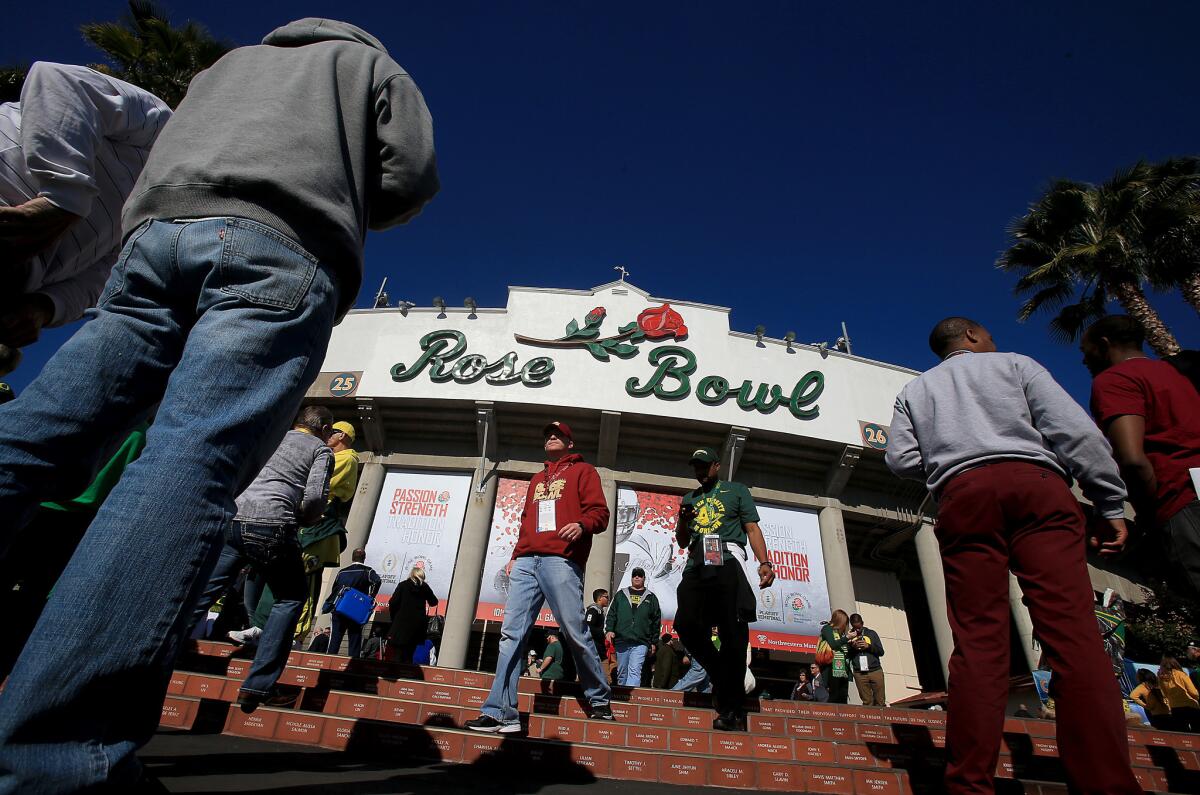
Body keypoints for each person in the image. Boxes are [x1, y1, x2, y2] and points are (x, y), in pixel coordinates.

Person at [0, 18, 438, 792]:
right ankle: (62, 755)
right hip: (281, 248)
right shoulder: (371, 66)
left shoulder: (229, 65)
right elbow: (408, 177)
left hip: (153, 242)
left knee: (38, 433)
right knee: (188, 462)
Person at [885, 316, 1140, 794]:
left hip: (964, 497)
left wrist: (951, 465)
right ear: (974, 337)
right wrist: (1108, 501)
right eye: (990, 336)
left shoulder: (915, 390)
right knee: (1073, 636)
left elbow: (899, 458)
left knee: (978, 643)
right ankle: (1106, 784)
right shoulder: (1016, 365)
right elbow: (1077, 434)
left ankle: (969, 783)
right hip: (1036, 487)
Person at [0, 62, 170, 375]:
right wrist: (63, 198)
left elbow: (106, 277)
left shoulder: (168, 220)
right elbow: (57, 79)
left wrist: (47, 306)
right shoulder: (164, 127)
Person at [465, 421, 613, 733]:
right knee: (511, 635)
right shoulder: (536, 479)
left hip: (561, 560)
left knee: (574, 630)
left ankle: (598, 697)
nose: (551, 437)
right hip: (526, 562)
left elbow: (600, 513)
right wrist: (515, 555)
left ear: (570, 443)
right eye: (547, 435)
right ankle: (500, 712)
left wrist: (583, 525)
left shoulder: (583, 472)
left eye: (558, 434)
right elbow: (525, 521)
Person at [188, 406, 334, 712]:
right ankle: (258, 685)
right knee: (291, 598)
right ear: (322, 429)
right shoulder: (320, 449)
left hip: (236, 518)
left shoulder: (275, 436)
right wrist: (304, 520)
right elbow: (316, 497)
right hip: (273, 523)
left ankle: (155, 656)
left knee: (204, 591)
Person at [1082, 315, 1200, 597]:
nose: (1084, 362)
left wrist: (1148, 519)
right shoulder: (1177, 375)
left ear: (1104, 344)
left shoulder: (1113, 380)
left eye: (1085, 353)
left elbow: (1132, 458)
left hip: (1181, 499)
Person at [674, 447, 775, 732]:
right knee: (685, 623)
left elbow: (752, 528)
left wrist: (764, 561)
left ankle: (731, 710)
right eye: (696, 467)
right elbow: (682, 541)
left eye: (705, 466)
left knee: (733, 631)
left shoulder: (736, 490)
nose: (700, 472)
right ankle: (721, 673)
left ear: (717, 466)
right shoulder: (689, 498)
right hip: (696, 562)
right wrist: (683, 518)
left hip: (729, 557)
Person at [605, 567, 662, 687]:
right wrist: (609, 630)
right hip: (622, 639)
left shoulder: (651, 598)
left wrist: (653, 642)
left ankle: (630, 700)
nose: (637, 577)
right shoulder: (621, 594)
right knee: (622, 672)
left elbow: (656, 622)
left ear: (644, 579)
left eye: (640, 575)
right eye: (634, 575)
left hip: (641, 641)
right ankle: (622, 695)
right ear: (631, 578)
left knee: (635, 671)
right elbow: (612, 614)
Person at [322, 547, 382, 657]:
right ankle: (353, 663)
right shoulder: (368, 571)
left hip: (339, 608)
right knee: (355, 638)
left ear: (352, 557)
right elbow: (377, 581)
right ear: (364, 558)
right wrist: (371, 596)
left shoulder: (342, 572)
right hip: (356, 610)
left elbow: (335, 589)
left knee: (335, 638)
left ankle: (329, 660)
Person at [387, 566, 438, 664]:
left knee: (398, 653)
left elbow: (393, 602)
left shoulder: (403, 585)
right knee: (410, 654)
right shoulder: (425, 587)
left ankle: (397, 674)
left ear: (411, 574)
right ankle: (406, 674)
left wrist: (394, 617)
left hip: (401, 624)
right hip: (417, 626)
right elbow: (433, 602)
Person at [848, 612, 886, 706]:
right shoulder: (849, 636)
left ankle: (882, 719)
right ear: (851, 625)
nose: (857, 629)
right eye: (855, 627)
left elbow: (881, 652)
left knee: (880, 701)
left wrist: (868, 646)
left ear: (862, 623)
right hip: (859, 673)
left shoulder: (871, 633)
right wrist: (852, 647)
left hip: (875, 671)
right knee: (867, 702)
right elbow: (846, 655)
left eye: (859, 627)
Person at [819, 611, 853, 704]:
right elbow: (833, 644)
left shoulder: (841, 634)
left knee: (843, 696)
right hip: (832, 666)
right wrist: (847, 638)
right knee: (834, 695)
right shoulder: (827, 629)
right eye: (844, 622)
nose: (845, 625)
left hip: (844, 668)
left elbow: (845, 649)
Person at [1159, 656, 1200, 733]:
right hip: (1190, 705)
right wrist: (1197, 698)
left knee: (1181, 732)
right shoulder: (1181, 674)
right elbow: (1193, 692)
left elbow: (1164, 694)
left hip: (1175, 708)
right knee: (1197, 730)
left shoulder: (1161, 678)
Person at [585, 588, 609, 662]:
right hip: (593, 646)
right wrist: (602, 633)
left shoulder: (600, 611)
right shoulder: (593, 610)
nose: (608, 599)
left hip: (599, 646)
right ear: (599, 598)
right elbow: (589, 626)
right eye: (606, 597)